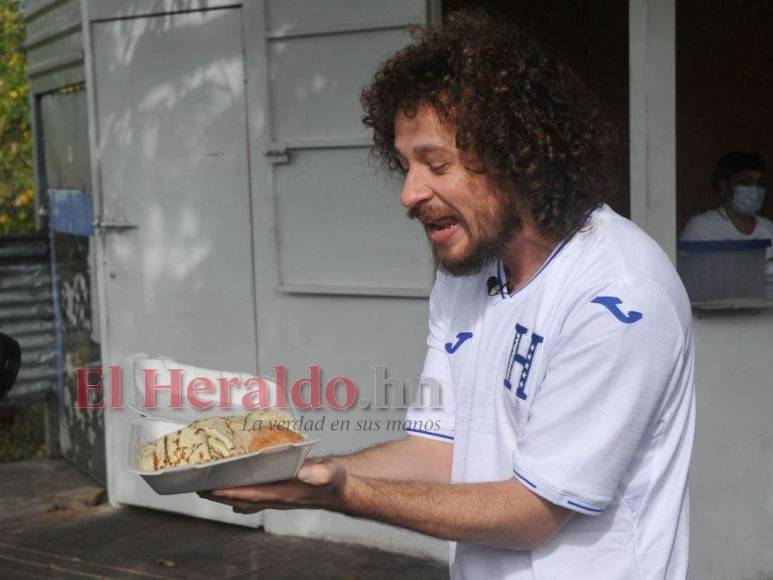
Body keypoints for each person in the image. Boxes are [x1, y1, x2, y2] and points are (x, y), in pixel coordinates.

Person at [201, 11, 695, 579]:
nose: (409, 193)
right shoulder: (466, 273)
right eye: (404, 165)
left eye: (436, 164)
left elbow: (533, 513)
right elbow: (440, 451)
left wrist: (337, 494)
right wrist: (302, 471)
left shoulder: (619, 295)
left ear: (518, 157)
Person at [680, 152, 773, 298]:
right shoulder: (702, 227)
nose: (754, 190)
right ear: (723, 185)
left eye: (760, 184)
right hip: (715, 318)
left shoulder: (768, 228)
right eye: (745, 182)